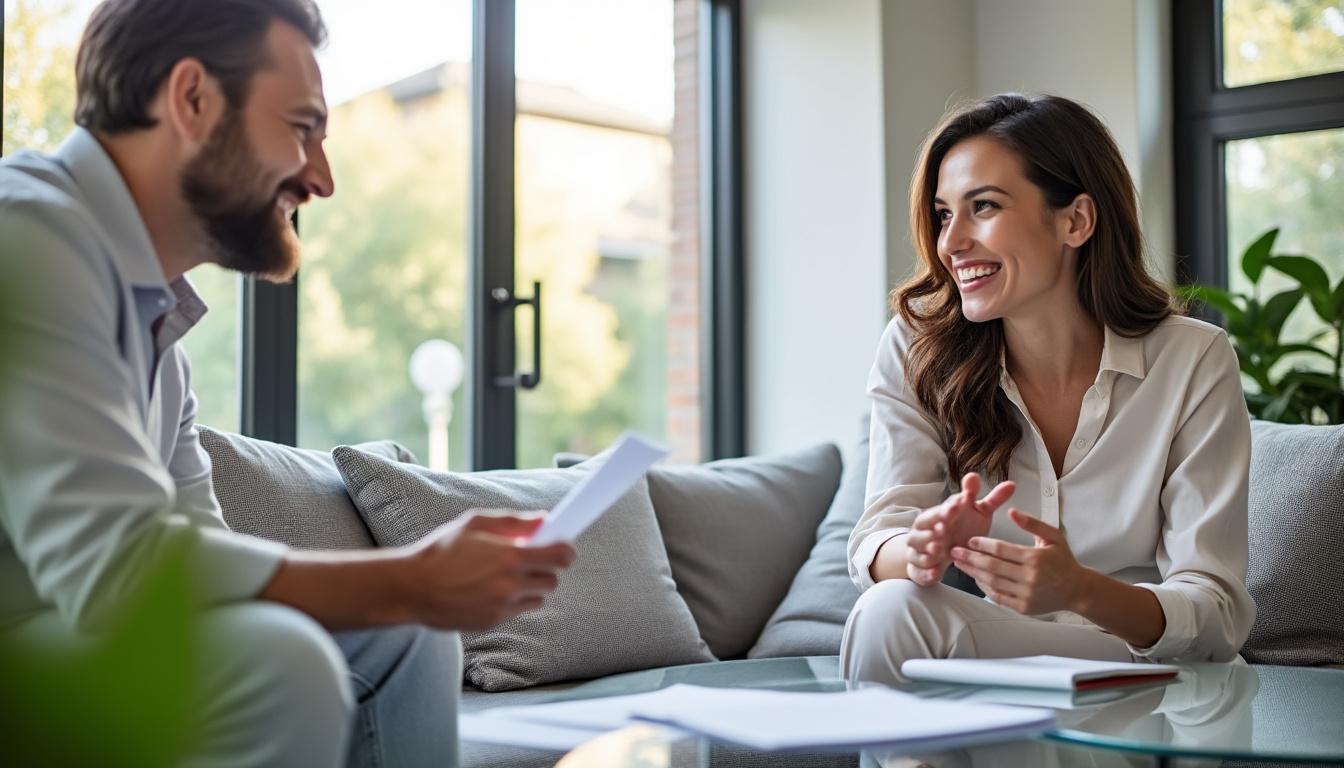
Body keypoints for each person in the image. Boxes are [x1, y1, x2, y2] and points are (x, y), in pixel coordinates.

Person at [0, 1, 575, 766]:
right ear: (192, 99)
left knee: (411, 636)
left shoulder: (161, 338)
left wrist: (411, 596)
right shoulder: (27, 233)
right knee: (282, 666)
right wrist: (406, 575)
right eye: (302, 128)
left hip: (65, 643)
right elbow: (120, 569)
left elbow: (196, 554)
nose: (322, 179)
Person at [841, 93, 1255, 687]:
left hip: (1151, 677)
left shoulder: (1192, 359)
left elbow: (1215, 616)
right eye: (942, 214)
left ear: (1075, 221)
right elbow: (879, 538)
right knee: (890, 609)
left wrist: (1079, 589)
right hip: (1008, 663)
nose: (949, 243)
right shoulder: (917, 348)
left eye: (982, 206)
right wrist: (922, 549)